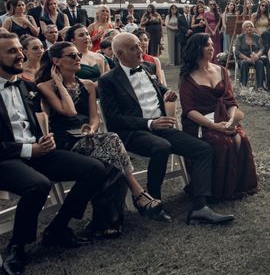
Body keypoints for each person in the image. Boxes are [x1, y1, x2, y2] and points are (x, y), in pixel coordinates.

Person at [0, 33, 109, 275]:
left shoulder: (27, 86)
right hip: (7, 158)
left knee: (95, 168)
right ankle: (17, 246)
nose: (20, 54)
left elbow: (40, 120)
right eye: (11, 51)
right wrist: (31, 149)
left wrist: (44, 137)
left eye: (20, 49)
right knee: (39, 184)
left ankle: (58, 228)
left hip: (40, 151)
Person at [98, 32, 235, 225]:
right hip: (134, 133)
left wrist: (167, 92)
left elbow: (158, 88)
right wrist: (149, 123)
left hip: (161, 128)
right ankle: (153, 201)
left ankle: (200, 206)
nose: (140, 50)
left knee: (203, 149)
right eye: (133, 48)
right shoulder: (108, 80)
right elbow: (113, 119)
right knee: (161, 146)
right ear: (119, 54)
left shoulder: (148, 66)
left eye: (139, 45)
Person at [36, 42, 162, 234]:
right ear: (56, 61)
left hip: (89, 138)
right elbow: (69, 111)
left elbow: (95, 118)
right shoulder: (45, 86)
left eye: (78, 54)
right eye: (72, 56)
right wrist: (60, 84)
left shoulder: (87, 85)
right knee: (111, 142)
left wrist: (91, 129)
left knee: (110, 159)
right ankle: (137, 194)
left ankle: (107, 223)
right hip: (65, 142)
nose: (78, 58)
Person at [179, 33, 258, 201]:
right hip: (199, 122)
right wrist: (213, 126)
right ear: (197, 48)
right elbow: (189, 110)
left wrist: (231, 120)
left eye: (211, 44)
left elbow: (230, 101)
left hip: (222, 115)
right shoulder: (187, 77)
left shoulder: (221, 70)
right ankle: (219, 189)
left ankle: (237, 185)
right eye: (207, 45)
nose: (212, 48)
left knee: (240, 138)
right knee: (222, 142)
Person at [234, 21, 265, 90]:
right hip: (243, 58)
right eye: (247, 27)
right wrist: (247, 59)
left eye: (251, 26)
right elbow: (237, 51)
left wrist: (257, 55)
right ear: (244, 29)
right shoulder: (240, 38)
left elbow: (262, 48)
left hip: (255, 58)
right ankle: (243, 86)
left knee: (260, 63)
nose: (249, 28)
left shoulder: (257, 37)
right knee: (244, 63)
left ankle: (260, 86)